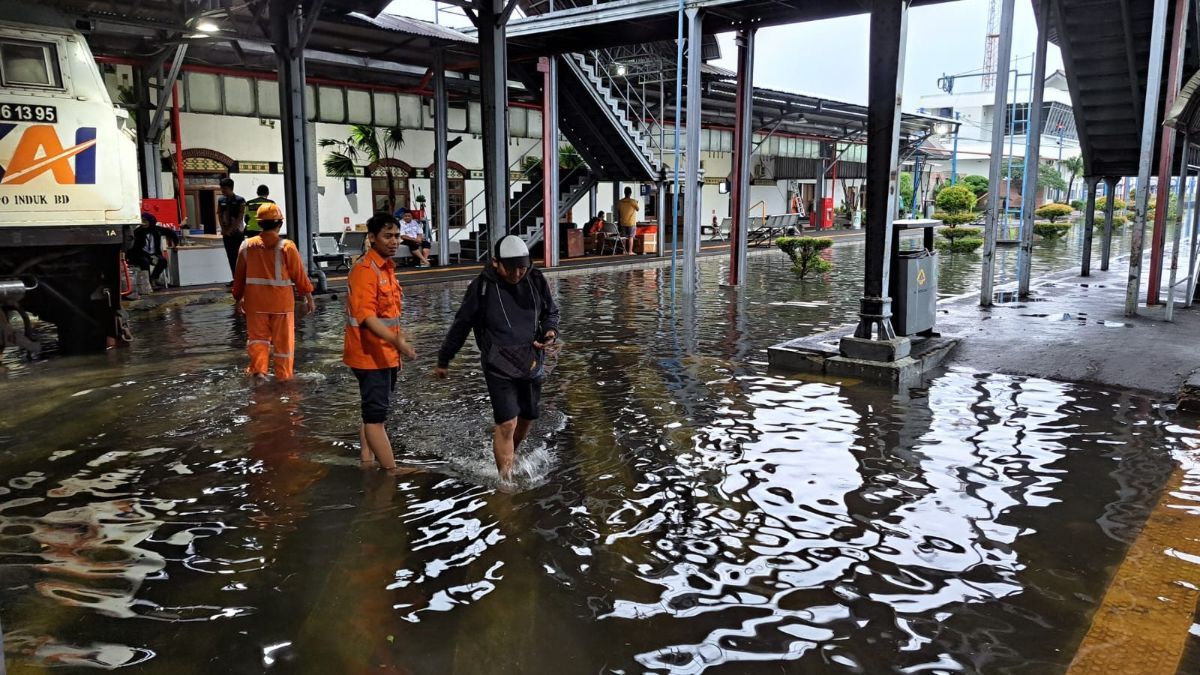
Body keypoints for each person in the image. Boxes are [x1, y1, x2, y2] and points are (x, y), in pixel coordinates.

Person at [434, 235, 560, 484]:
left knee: (527, 417)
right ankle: (505, 480)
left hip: (531, 360)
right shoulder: (481, 287)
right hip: (497, 363)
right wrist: (444, 359)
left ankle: (508, 453)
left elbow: (550, 312)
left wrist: (550, 332)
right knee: (507, 422)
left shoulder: (534, 278)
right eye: (511, 268)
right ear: (495, 263)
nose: (517, 274)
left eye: (522, 267)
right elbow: (461, 325)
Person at [344, 212, 418, 472]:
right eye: (388, 236)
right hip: (370, 355)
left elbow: (389, 316)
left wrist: (395, 348)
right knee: (376, 418)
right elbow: (366, 317)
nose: (394, 241)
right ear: (372, 238)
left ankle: (367, 460)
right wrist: (398, 342)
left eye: (397, 236)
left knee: (372, 412)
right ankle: (391, 470)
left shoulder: (386, 268)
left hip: (384, 354)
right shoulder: (366, 270)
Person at [231, 203, 315, 382]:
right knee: (283, 344)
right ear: (280, 224)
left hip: (255, 304)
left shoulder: (246, 246)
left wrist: (238, 298)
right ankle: (283, 378)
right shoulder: (287, 246)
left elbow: (238, 277)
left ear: (259, 223)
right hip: (281, 304)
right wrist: (308, 297)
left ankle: (259, 373)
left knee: (258, 340)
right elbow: (299, 275)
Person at [127, 212, 179, 296]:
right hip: (141, 254)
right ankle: (147, 283)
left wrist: (175, 243)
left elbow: (171, 233)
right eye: (142, 221)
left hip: (154, 253)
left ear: (151, 222)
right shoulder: (138, 232)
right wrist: (149, 257)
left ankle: (153, 278)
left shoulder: (157, 230)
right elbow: (135, 249)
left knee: (163, 261)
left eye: (145, 221)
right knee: (144, 261)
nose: (143, 223)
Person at [218, 177, 247, 279]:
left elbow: (240, 216)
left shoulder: (240, 200)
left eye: (224, 188)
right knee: (230, 257)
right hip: (226, 233)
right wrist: (223, 229)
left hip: (237, 233)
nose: (222, 191)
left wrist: (231, 229)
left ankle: (241, 278)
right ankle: (235, 278)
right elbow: (220, 214)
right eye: (221, 188)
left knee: (239, 257)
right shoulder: (221, 200)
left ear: (230, 188)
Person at [617, 186, 640, 255]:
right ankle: (630, 251)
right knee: (631, 237)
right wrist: (636, 203)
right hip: (631, 222)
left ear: (624, 193)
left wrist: (619, 221)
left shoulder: (620, 202)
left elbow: (618, 212)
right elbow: (638, 209)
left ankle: (624, 251)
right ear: (630, 193)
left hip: (623, 222)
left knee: (623, 237)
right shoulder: (633, 201)